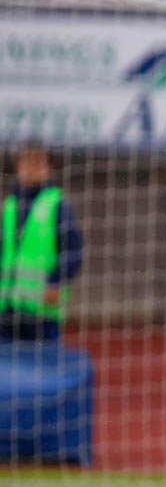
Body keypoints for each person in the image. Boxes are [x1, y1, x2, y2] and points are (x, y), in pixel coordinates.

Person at [0, 145, 84, 344]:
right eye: (26, 162)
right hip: (8, 304)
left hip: (41, 307)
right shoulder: (10, 205)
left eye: (38, 162)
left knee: (44, 365)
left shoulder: (57, 205)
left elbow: (73, 251)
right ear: (18, 166)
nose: (31, 168)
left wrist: (55, 282)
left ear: (49, 168)